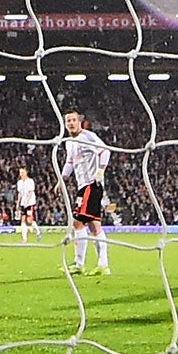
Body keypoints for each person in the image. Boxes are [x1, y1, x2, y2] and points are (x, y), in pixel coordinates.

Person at [61, 108, 111, 276]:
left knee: (78, 223)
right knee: (94, 225)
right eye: (68, 121)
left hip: (92, 184)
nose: (71, 123)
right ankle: (103, 265)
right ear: (65, 124)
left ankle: (79, 263)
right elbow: (70, 162)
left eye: (74, 120)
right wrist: (62, 179)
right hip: (83, 186)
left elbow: (105, 151)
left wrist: (101, 170)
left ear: (79, 122)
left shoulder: (88, 136)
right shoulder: (69, 142)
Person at [14, 166, 38, 245]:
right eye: (20, 172)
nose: (21, 174)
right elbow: (20, 193)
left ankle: (38, 231)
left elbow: (31, 192)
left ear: (26, 172)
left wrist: (27, 202)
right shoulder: (19, 182)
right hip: (23, 203)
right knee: (23, 220)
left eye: (22, 172)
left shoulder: (30, 181)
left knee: (29, 220)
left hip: (30, 203)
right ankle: (24, 238)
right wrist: (18, 203)